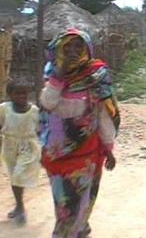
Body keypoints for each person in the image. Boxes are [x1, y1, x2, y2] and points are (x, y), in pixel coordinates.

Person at [39, 28, 120, 237]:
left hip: (87, 152)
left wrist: (108, 148)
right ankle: (69, 230)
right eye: (68, 47)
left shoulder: (96, 75)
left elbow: (103, 114)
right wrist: (60, 75)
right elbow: (47, 104)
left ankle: (79, 229)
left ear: (87, 49)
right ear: (59, 49)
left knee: (84, 198)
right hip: (57, 153)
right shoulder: (51, 73)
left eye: (78, 46)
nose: (73, 51)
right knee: (64, 203)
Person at [0, 78, 40, 225]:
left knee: (18, 174)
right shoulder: (5, 108)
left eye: (25, 93)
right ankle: (18, 204)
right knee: (13, 176)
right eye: (18, 93)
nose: (22, 96)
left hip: (28, 147)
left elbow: (40, 129)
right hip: (9, 145)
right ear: (10, 94)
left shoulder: (34, 110)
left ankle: (21, 208)